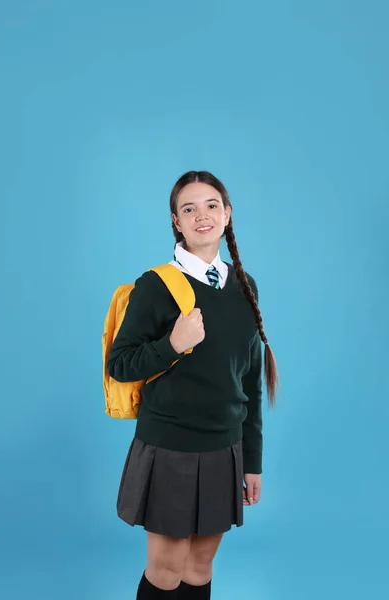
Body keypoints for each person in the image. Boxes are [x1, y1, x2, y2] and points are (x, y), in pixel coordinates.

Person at [107, 170, 278, 599]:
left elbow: (249, 379)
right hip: (169, 447)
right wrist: (172, 345)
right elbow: (120, 364)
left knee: (200, 568)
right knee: (165, 572)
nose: (201, 215)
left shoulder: (244, 285)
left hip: (224, 450)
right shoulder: (156, 286)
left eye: (211, 205)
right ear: (176, 222)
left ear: (227, 215)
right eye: (189, 208)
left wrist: (252, 460)